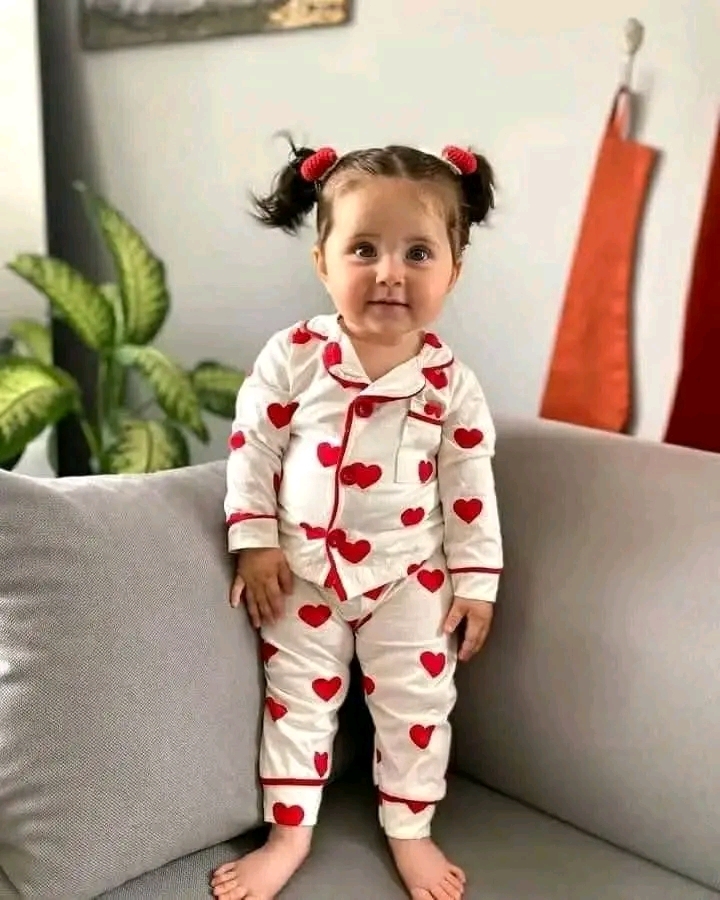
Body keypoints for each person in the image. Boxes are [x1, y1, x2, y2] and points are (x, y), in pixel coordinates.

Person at [211, 137, 503, 900]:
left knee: (417, 707)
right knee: (297, 702)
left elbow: (469, 487)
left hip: (411, 580)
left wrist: (476, 583)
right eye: (364, 249)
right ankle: (289, 835)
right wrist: (255, 541)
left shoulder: (452, 386)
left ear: (453, 271)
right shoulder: (293, 356)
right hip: (303, 574)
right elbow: (253, 448)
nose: (389, 273)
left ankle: (411, 830)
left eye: (418, 253)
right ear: (323, 262)